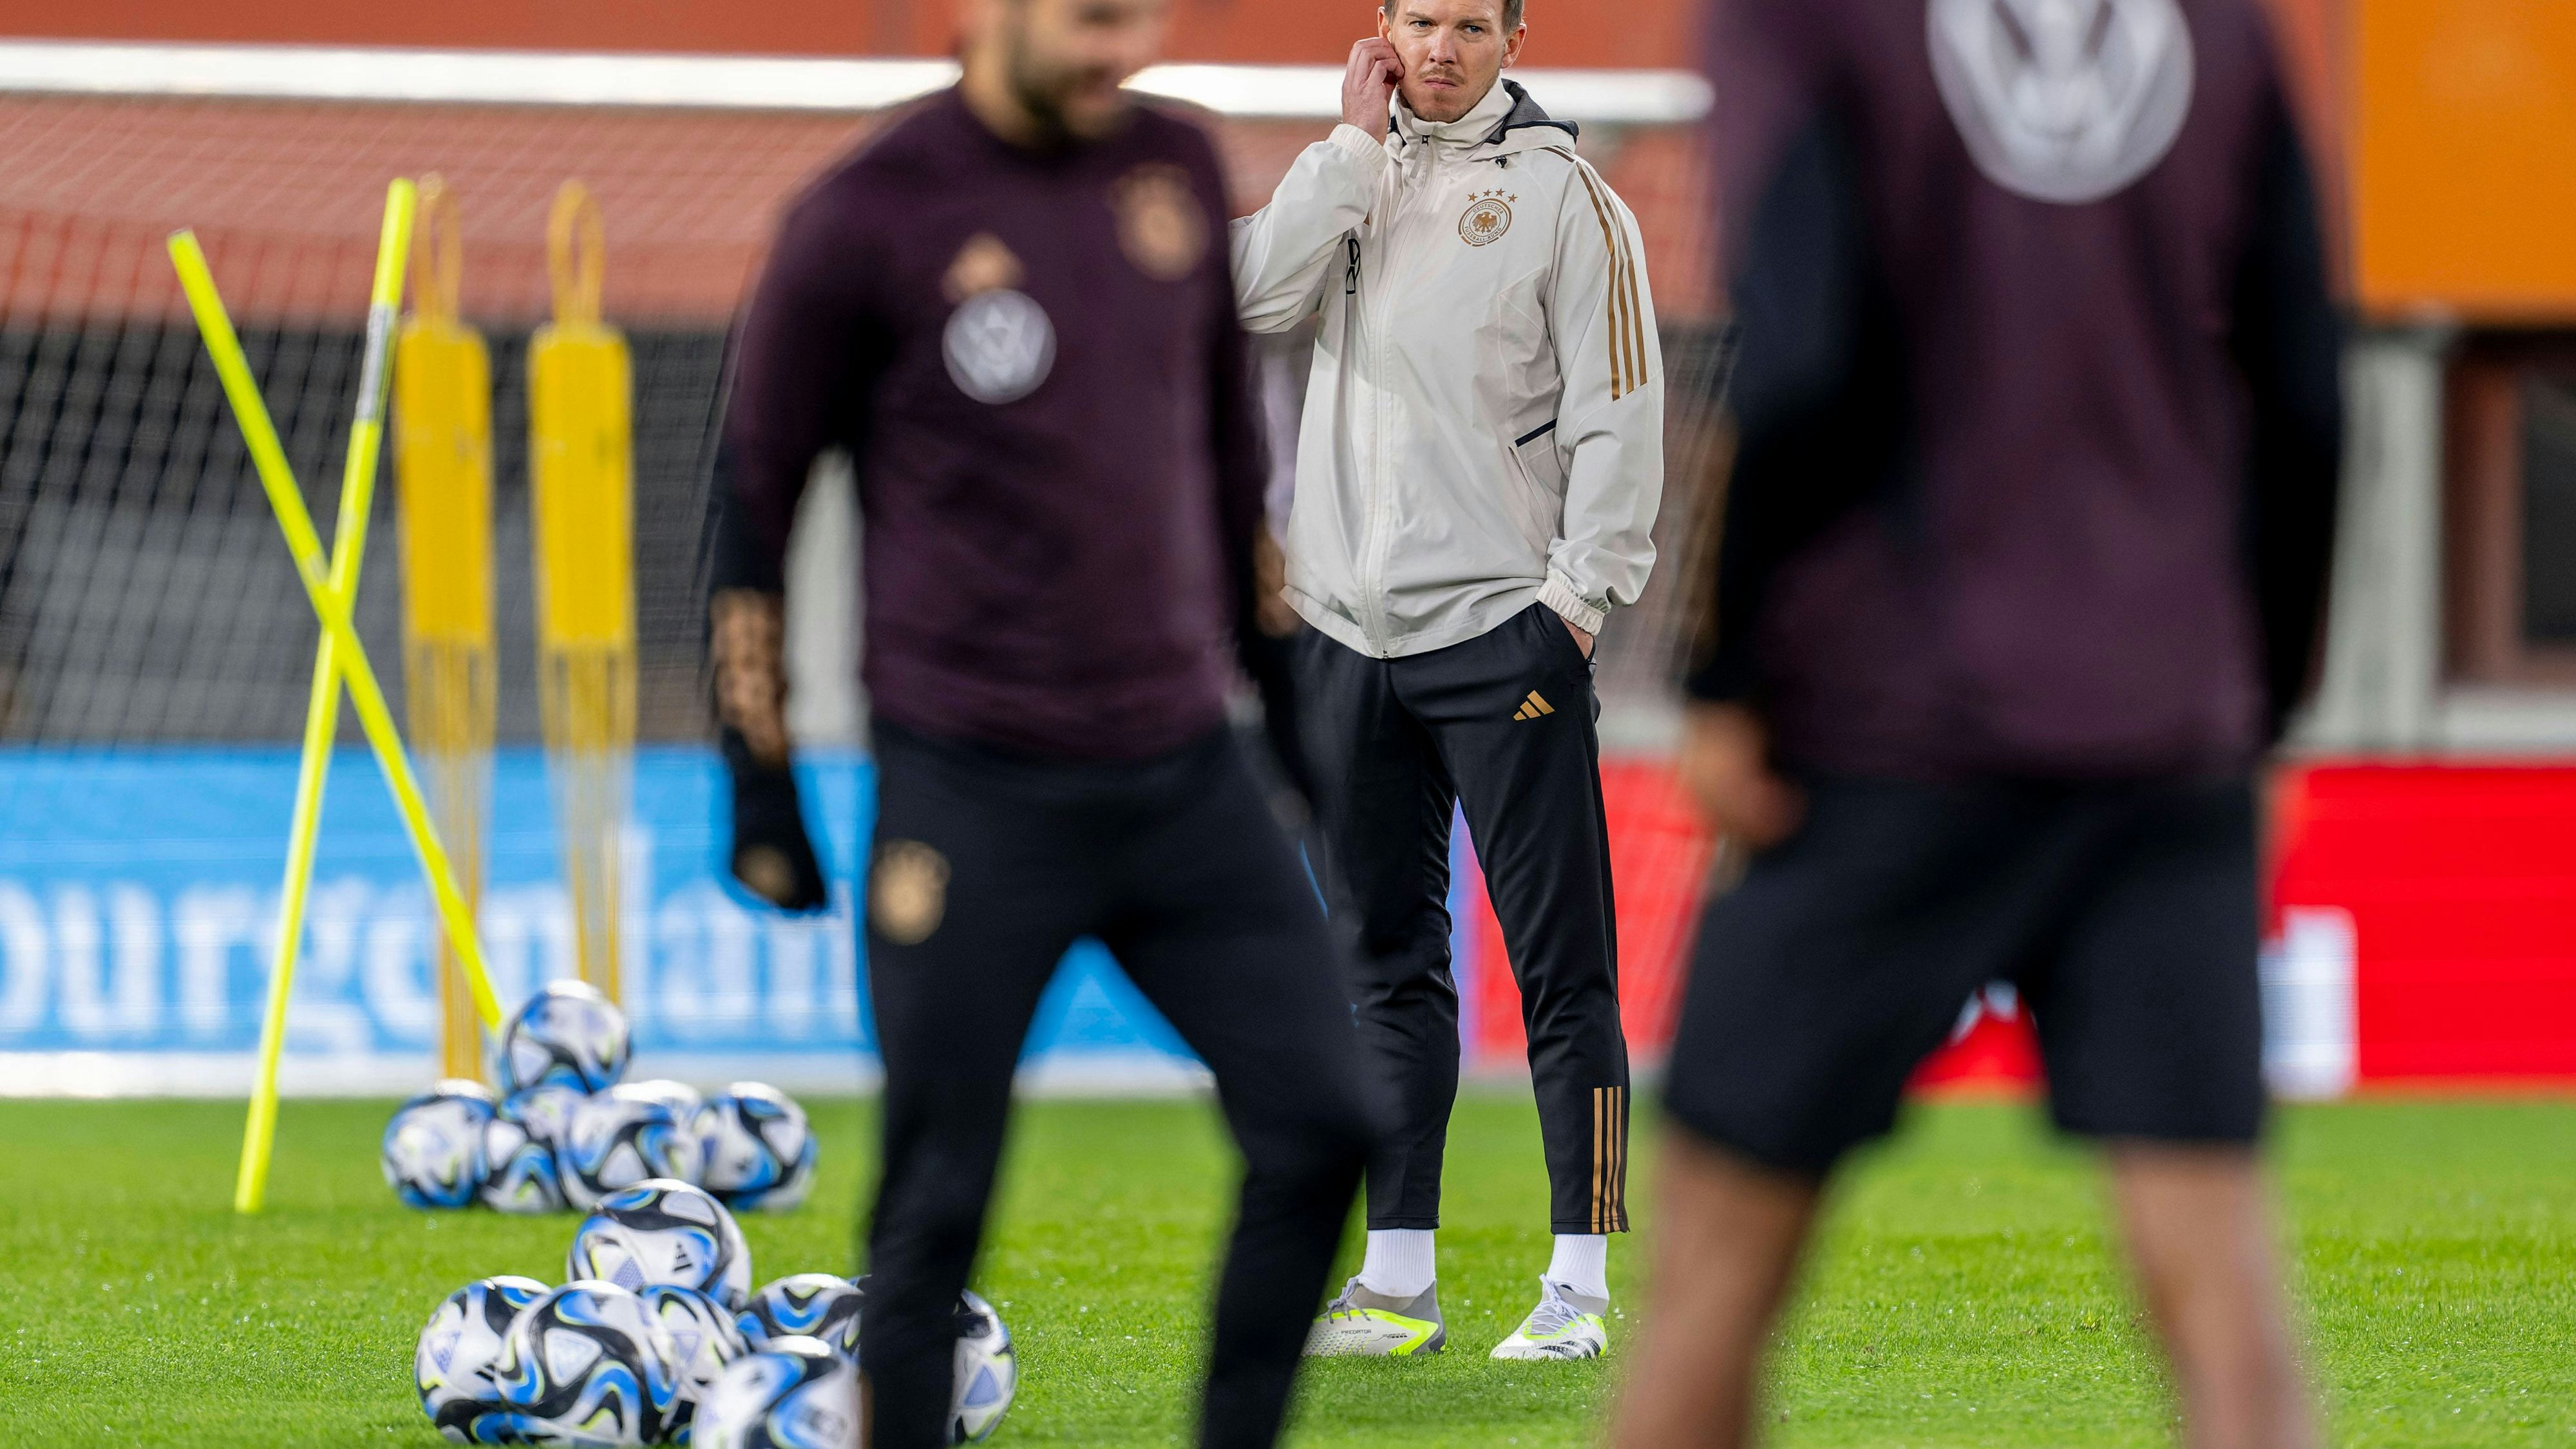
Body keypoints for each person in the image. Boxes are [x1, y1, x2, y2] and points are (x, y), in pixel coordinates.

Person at [1611, 0, 2343, 1444]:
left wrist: (1722, 678)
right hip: (2161, 723)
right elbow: (2308, 389)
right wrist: (2261, 710)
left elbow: (1800, 356)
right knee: (2220, 1290)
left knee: (1712, 1276)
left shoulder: (1801, 17)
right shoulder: (2229, 28)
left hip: (1879, 721)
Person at [705, 0, 1376, 1442]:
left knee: (1327, 1122)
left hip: (1181, 777)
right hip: (969, 792)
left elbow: (1228, 468)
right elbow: (753, 504)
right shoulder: (863, 216)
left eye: (1136, 20)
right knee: (936, 1197)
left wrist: (1293, 727)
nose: (1112, 55)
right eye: (1087, 20)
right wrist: (759, 781)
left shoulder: (1174, 166)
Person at [1232, 0, 1665, 1363]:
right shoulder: (1350, 174)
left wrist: (1575, 607)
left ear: (1513, 42)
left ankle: (1579, 1285)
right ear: (1382, 28)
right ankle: (1396, 1284)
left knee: (1562, 974)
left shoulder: (1567, 201)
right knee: (1383, 969)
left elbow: (1620, 415)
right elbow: (1245, 299)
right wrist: (1345, 153)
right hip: (1341, 639)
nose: (1441, 46)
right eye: (1419, 18)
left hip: (1503, 640)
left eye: (1471, 24)